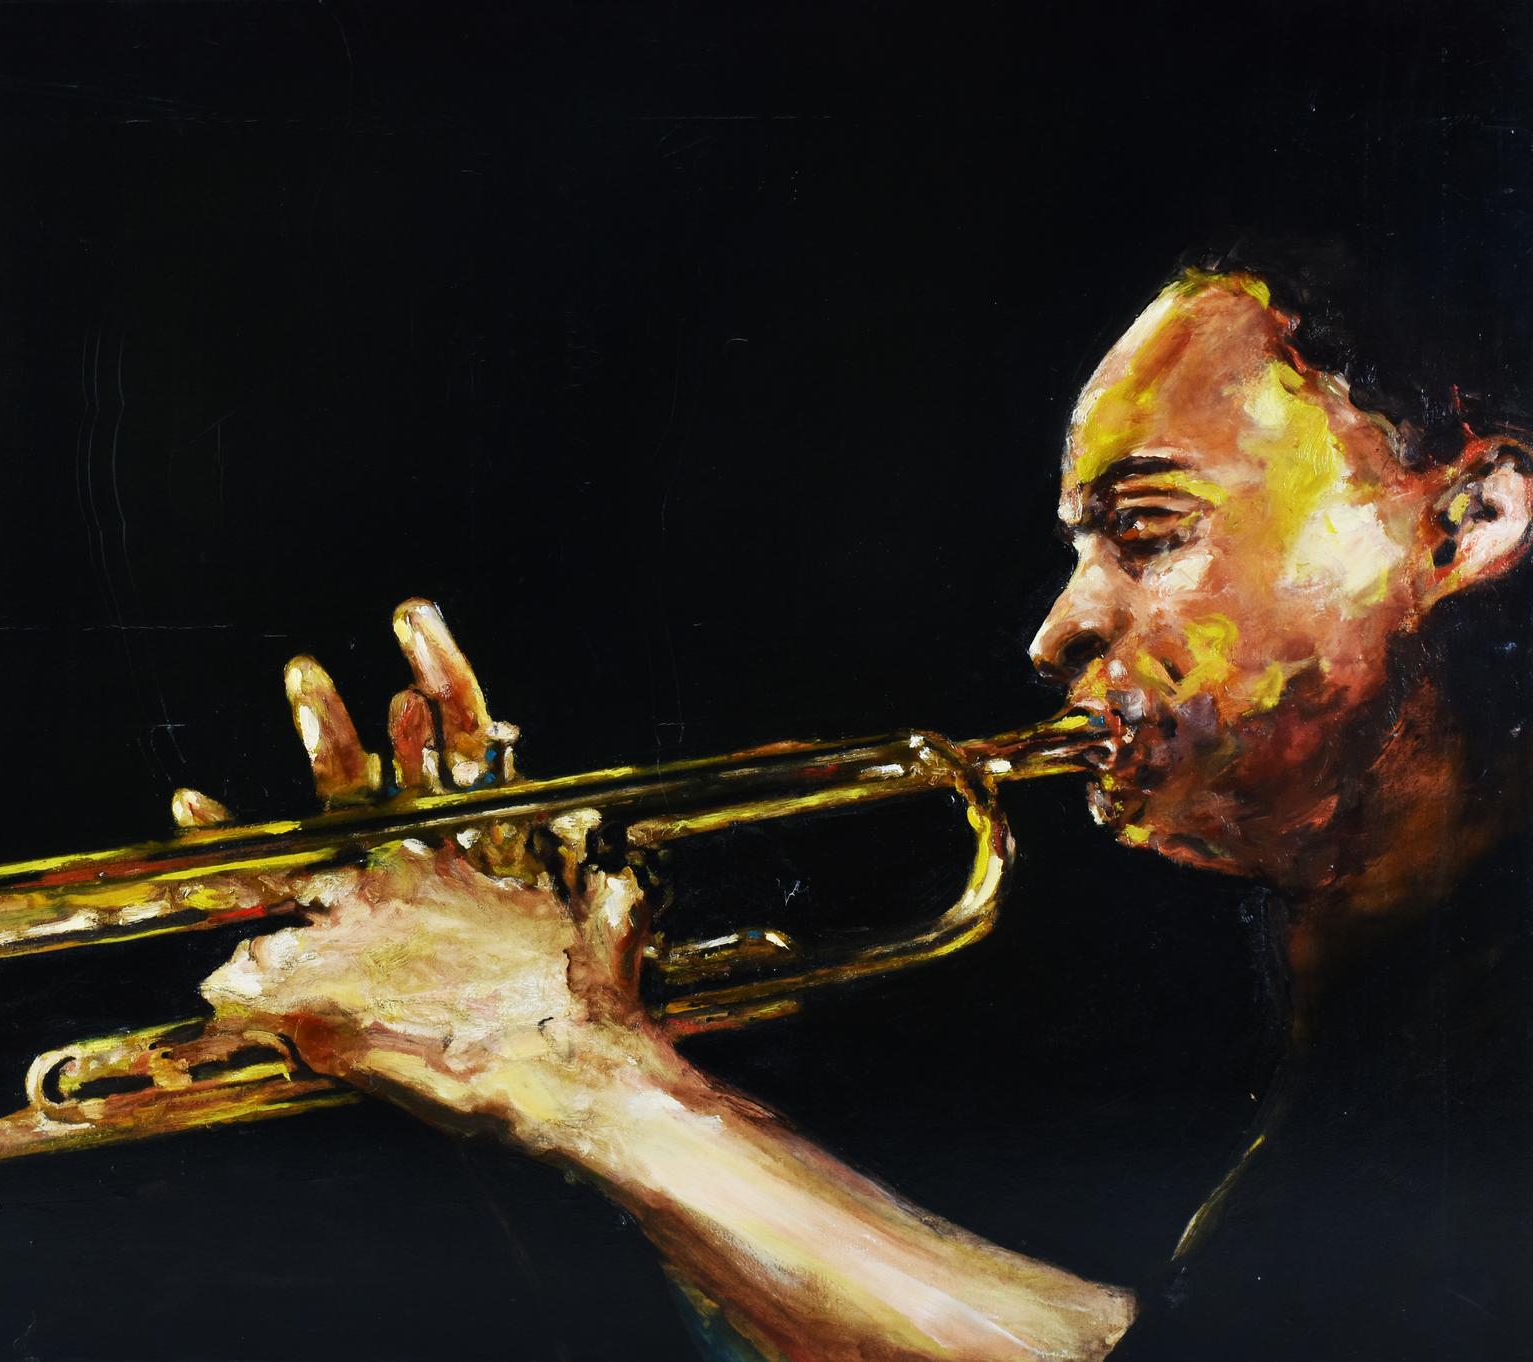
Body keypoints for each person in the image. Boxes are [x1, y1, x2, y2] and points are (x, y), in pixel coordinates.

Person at [188, 251, 1533, 1360]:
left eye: (1148, 532)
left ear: (1467, 519)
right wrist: (529, 1093)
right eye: (1082, 550)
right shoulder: (1399, 1020)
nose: (1057, 631)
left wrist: (592, 1082)